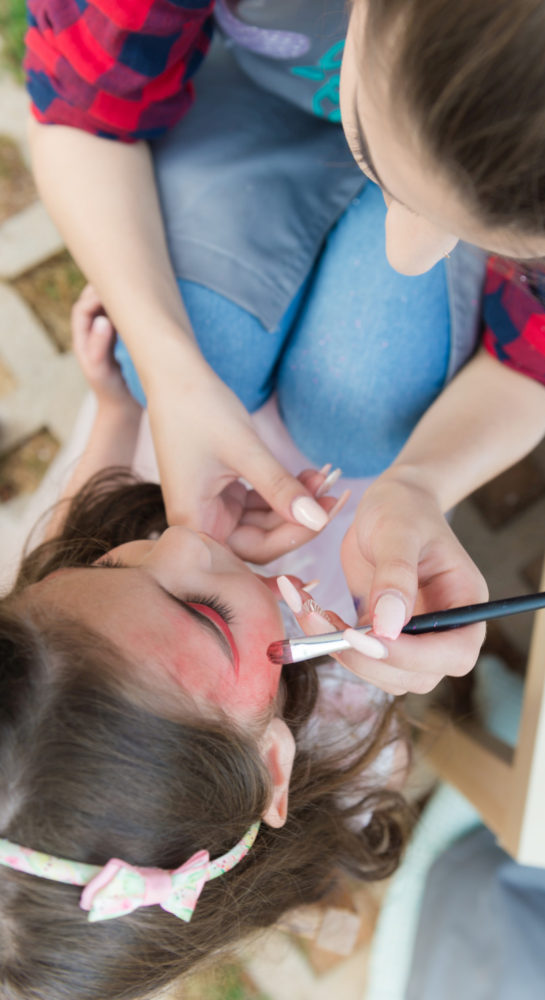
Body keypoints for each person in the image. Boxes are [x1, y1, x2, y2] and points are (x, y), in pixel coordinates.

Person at [22, 0, 545, 694]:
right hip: (250, 101)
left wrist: (422, 483)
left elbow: (539, 363)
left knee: (357, 419)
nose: (408, 256)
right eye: (381, 163)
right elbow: (78, 116)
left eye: (500, 244)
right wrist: (171, 374)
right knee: (179, 363)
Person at [0, 277, 409, 1000]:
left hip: (186, 435)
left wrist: (117, 408)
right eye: (205, 615)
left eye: (106, 563)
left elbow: (70, 528)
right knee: (359, 385)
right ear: (271, 769)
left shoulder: (67, 639)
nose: (177, 542)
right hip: (378, 478)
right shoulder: (351, 739)